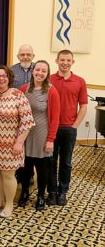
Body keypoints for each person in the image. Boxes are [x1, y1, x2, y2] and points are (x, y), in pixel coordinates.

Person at [0, 65, 35, 218]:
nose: (1, 78)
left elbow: (27, 121)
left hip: (11, 144)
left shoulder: (18, 95)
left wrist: (19, 142)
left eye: (4, 76)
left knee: (8, 175)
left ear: (9, 78)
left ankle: (9, 205)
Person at [47, 50, 87, 206]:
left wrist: (74, 126)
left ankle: (63, 192)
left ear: (73, 62)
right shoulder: (49, 80)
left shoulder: (80, 81)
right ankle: (52, 192)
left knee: (66, 163)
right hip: (51, 129)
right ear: (57, 61)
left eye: (68, 60)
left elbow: (83, 105)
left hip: (69, 129)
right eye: (62, 60)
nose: (65, 63)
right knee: (50, 161)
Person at [19, 60, 60, 210]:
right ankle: (24, 193)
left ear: (47, 74)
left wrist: (51, 140)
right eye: (38, 70)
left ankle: (41, 196)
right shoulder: (24, 89)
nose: (40, 73)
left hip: (43, 135)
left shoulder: (52, 91)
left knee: (42, 169)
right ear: (33, 70)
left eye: (44, 71)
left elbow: (55, 118)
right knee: (25, 168)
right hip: (26, 135)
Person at [11, 44, 35, 184]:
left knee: (31, 146)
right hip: (16, 115)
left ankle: (29, 174)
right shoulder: (11, 70)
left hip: (35, 114)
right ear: (18, 56)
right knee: (18, 144)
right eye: (22, 54)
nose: (25, 57)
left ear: (33, 56)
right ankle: (18, 173)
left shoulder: (38, 69)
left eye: (28, 54)